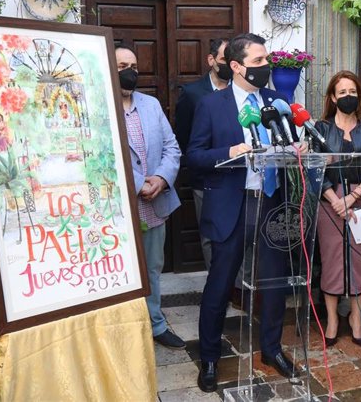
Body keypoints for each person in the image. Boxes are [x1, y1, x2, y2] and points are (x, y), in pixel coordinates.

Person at [187, 33, 298, 392]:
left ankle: (271, 349)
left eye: (267, 60)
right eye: (258, 62)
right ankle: (209, 358)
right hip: (231, 206)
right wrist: (231, 150)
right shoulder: (211, 105)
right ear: (235, 67)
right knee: (220, 286)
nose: (266, 67)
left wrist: (298, 148)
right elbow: (195, 157)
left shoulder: (277, 101)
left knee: (275, 283)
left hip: (270, 204)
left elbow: (287, 144)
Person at [115, 45, 185, 349]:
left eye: (133, 65)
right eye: (121, 66)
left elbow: (172, 147)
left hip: (154, 204)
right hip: (120, 208)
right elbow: (100, 155)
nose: (130, 71)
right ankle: (125, 331)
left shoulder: (151, 104)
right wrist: (136, 183)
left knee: (152, 269)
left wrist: (161, 178)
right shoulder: (97, 104)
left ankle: (155, 324)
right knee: (122, 272)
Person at [312, 70, 361, 348]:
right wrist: (335, 200)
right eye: (342, 92)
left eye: (352, 92)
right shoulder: (321, 128)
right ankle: (331, 319)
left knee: (358, 262)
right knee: (331, 261)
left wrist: (353, 196)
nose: (347, 97)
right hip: (330, 202)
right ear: (333, 96)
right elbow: (316, 169)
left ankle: (356, 317)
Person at [175, 38, 231, 270]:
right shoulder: (193, 93)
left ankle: (238, 290)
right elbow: (184, 137)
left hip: (238, 177)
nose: (230, 65)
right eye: (224, 60)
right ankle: (217, 288)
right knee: (210, 236)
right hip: (205, 179)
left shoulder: (243, 91)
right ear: (211, 60)